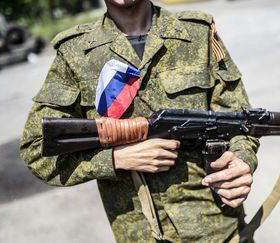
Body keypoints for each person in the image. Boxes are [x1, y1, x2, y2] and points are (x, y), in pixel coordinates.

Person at [20, 0, 260, 242]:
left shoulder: (197, 32)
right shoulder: (75, 53)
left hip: (218, 229)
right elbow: (37, 151)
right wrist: (116, 159)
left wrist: (242, 159)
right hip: (140, 234)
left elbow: (240, 120)